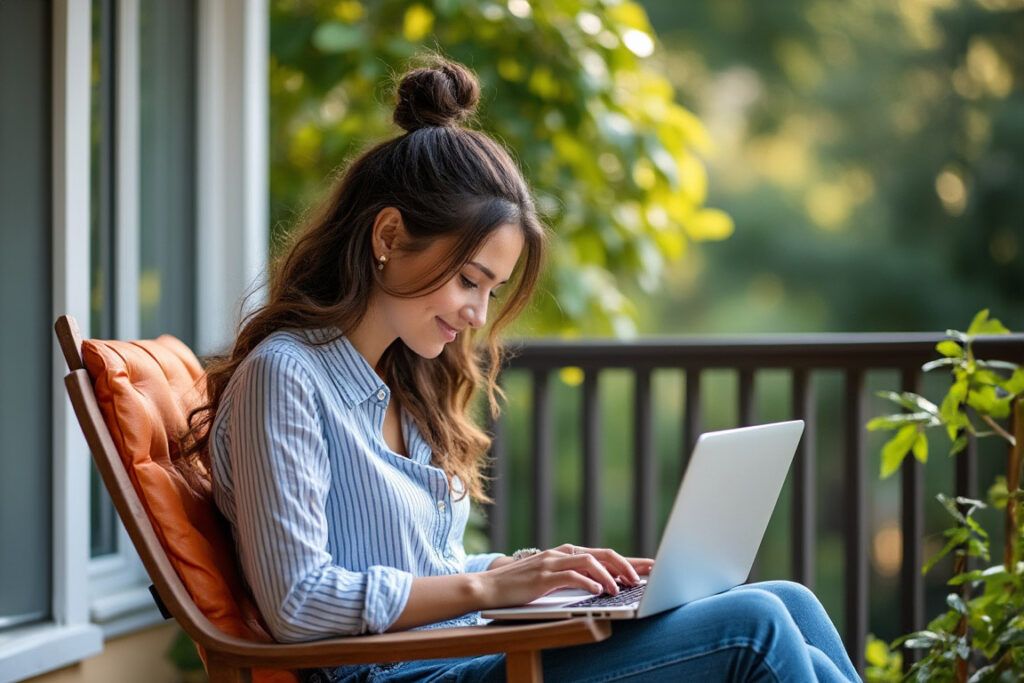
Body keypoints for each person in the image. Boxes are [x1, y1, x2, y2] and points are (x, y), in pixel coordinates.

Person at [181, 57, 860, 682]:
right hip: (400, 674)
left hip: (457, 651)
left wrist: (534, 572)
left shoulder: (402, 381)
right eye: (469, 280)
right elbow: (299, 599)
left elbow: (426, 574)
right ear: (388, 237)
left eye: (491, 290)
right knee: (755, 627)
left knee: (785, 600)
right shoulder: (287, 375)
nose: (477, 314)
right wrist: (493, 589)